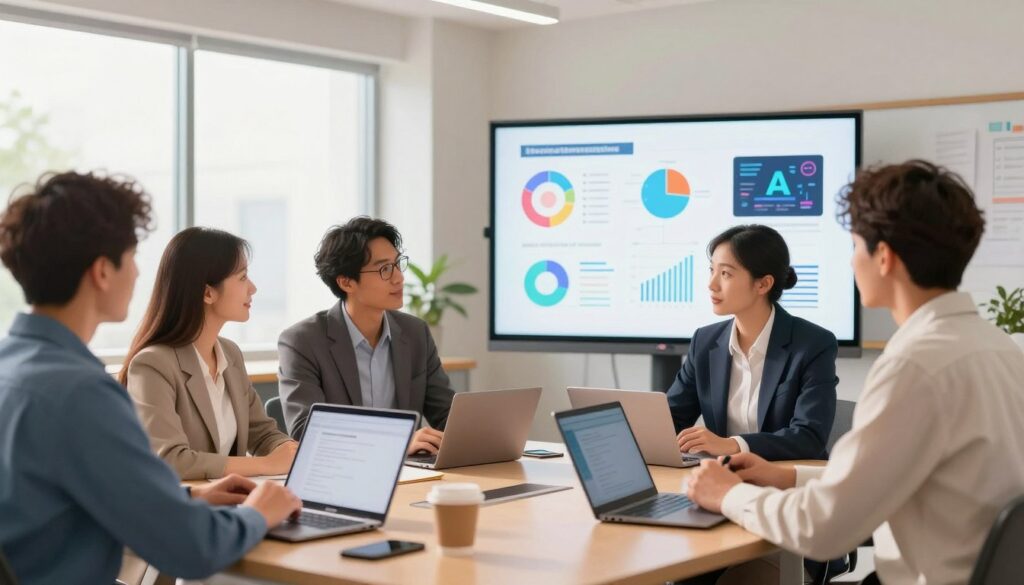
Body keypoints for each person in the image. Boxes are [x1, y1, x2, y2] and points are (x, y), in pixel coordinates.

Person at [687, 160, 1024, 585]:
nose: (850, 264)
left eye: (854, 247)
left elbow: (822, 528)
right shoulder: (999, 348)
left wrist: (728, 494)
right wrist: (789, 474)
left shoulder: (915, 367)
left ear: (883, 257)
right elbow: (904, 474)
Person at [0, 171, 301, 584]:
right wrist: (258, 513)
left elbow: (64, 496)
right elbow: (194, 548)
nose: (140, 275)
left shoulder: (13, 367)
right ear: (103, 271)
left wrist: (187, 496)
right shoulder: (80, 393)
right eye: (132, 256)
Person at [121, 227, 298, 480]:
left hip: (228, 500)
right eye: (242, 277)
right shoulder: (152, 364)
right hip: (184, 509)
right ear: (208, 292)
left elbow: (262, 432)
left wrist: (291, 452)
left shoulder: (231, 353)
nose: (253, 288)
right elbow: (171, 459)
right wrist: (267, 465)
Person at [278, 217, 454, 454]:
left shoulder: (415, 333)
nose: (399, 278)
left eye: (397, 264)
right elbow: (306, 432)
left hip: (411, 472)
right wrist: (397, 444)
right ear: (346, 282)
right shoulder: (302, 341)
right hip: (343, 475)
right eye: (384, 269)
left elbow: (447, 416)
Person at [666, 224, 838, 461]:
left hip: (787, 483)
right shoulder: (704, 342)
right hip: (724, 482)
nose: (712, 284)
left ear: (763, 284)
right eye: (711, 270)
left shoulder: (813, 344)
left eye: (725, 273)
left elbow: (808, 437)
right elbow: (671, 420)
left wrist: (732, 445)